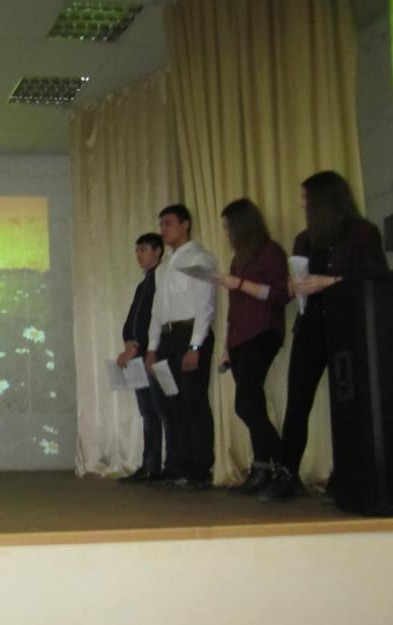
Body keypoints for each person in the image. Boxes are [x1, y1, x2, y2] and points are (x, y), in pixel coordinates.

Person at [262, 171, 389, 501]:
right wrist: (294, 286)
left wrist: (329, 282)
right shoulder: (305, 240)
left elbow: (377, 279)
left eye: (306, 198)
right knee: (297, 401)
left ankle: (348, 474)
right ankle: (287, 474)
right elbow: (298, 281)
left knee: (349, 403)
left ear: (323, 199)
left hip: (348, 328)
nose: (302, 204)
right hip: (311, 326)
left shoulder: (362, 233)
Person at [214, 199, 290, 494]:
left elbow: (281, 294)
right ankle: (261, 469)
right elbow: (234, 309)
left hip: (262, 332)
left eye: (228, 226)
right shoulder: (238, 259)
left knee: (245, 404)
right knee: (253, 403)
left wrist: (239, 284)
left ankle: (285, 464)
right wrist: (226, 348)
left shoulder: (270, 252)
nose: (226, 232)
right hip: (240, 338)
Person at [144, 204, 218, 489]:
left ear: (185, 224)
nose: (163, 229)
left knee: (193, 401)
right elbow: (157, 310)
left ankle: (200, 469)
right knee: (171, 403)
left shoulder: (200, 258)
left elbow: (205, 305)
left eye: (168, 223)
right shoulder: (163, 267)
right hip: (167, 338)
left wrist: (195, 346)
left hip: (189, 335)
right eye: (161, 224)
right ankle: (177, 465)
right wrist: (152, 348)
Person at [118, 233, 166, 483]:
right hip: (137, 356)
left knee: (160, 410)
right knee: (147, 411)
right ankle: (149, 464)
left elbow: (153, 320)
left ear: (157, 251)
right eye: (137, 250)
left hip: (152, 356)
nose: (139, 254)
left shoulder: (161, 279)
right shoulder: (143, 283)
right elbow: (132, 321)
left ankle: (159, 466)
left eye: (144, 249)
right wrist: (128, 342)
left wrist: (139, 346)